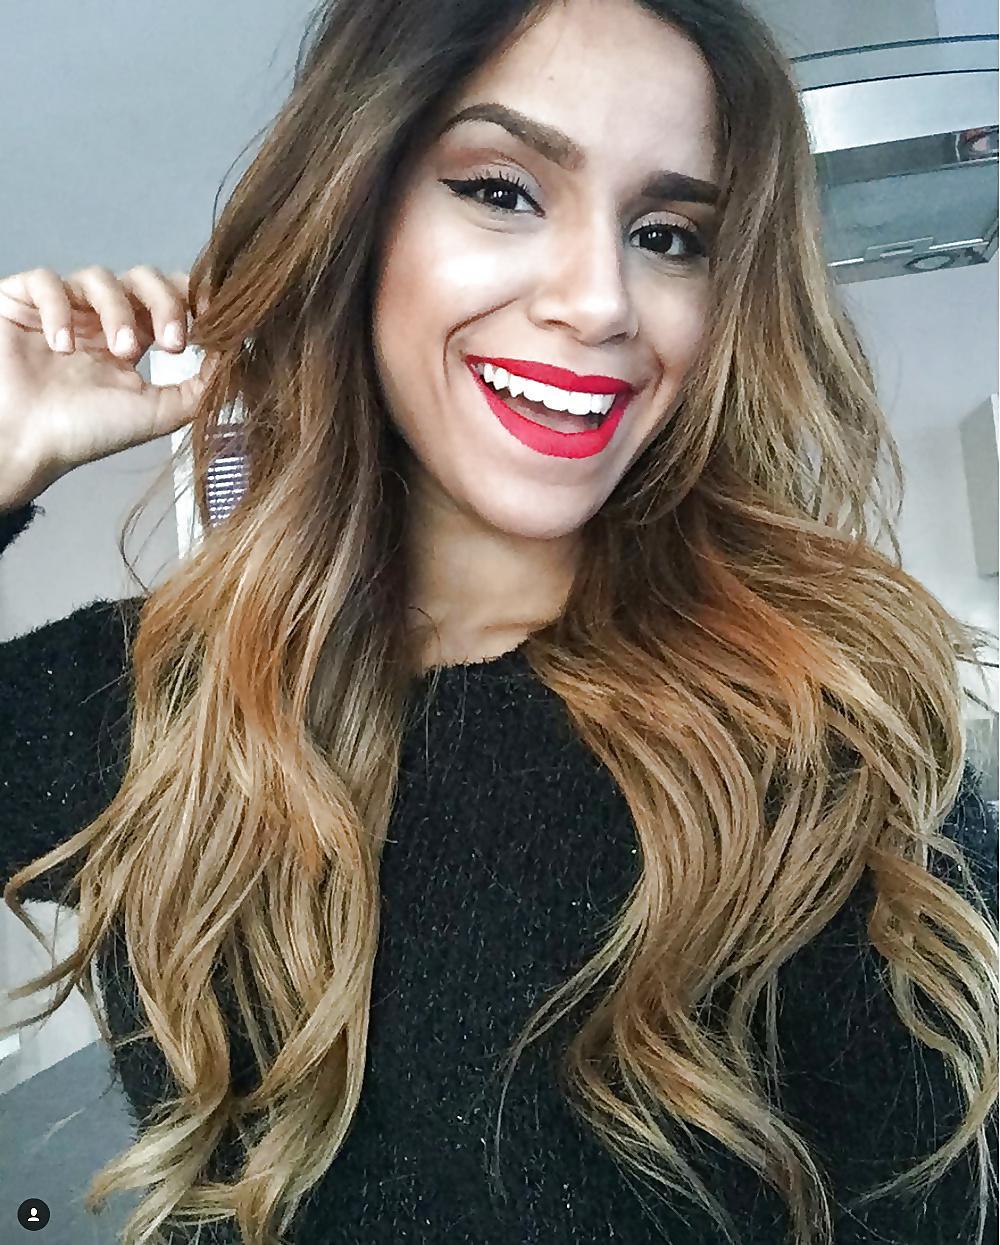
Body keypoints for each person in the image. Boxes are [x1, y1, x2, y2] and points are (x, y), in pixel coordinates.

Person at [0, 0, 997, 1242]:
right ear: (354, 220)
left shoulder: (824, 733)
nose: (600, 302)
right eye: (502, 191)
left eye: (667, 235)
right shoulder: (154, 695)